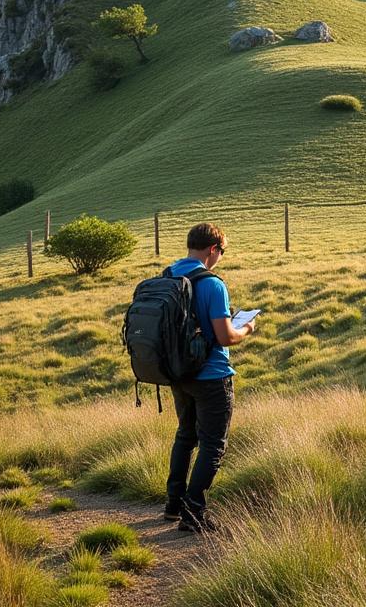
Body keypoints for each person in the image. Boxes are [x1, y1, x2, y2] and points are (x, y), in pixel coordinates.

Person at [163, 222, 255, 532]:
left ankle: (174, 504)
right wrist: (246, 328)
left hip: (178, 373)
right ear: (212, 249)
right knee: (213, 444)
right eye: (222, 251)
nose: (221, 257)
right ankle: (194, 513)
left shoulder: (169, 275)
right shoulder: (213, 284)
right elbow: (226, 337)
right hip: (212, 376)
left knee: (185, 436)